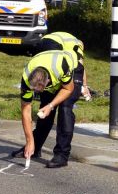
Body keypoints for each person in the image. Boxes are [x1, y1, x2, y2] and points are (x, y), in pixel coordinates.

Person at [12, 32, 87, 168]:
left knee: (65, 107)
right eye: (34, 90)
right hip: (52, 61)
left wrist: (52, 105)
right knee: (44, 107)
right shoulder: (26, 78)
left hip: (73, 67)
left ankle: (62, 155)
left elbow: (68, 89)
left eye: (39, 89)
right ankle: (34, 147)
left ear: (47, 80)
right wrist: (29, 141)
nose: (36, 92)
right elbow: (26, 110)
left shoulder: (61, 66)